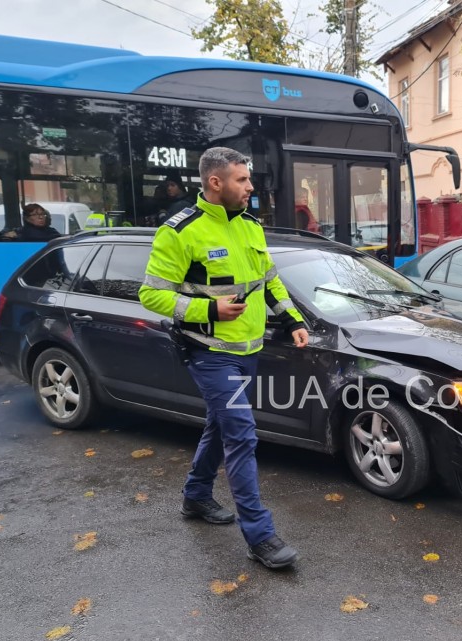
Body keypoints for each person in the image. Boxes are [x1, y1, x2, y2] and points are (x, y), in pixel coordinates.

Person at [139, 146, 310, 570]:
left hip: (248, 351)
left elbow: (270, 281)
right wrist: (209, 310)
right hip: (209, 354)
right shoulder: (180, 231)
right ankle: (261, 535)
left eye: (248, 179)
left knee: (220, 426)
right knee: (241, 433)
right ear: (215, 182)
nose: (251, 187)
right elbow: (151, 294)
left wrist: (292, 321)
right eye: (242, 180)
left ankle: (196, 497)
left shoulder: (251, 226)